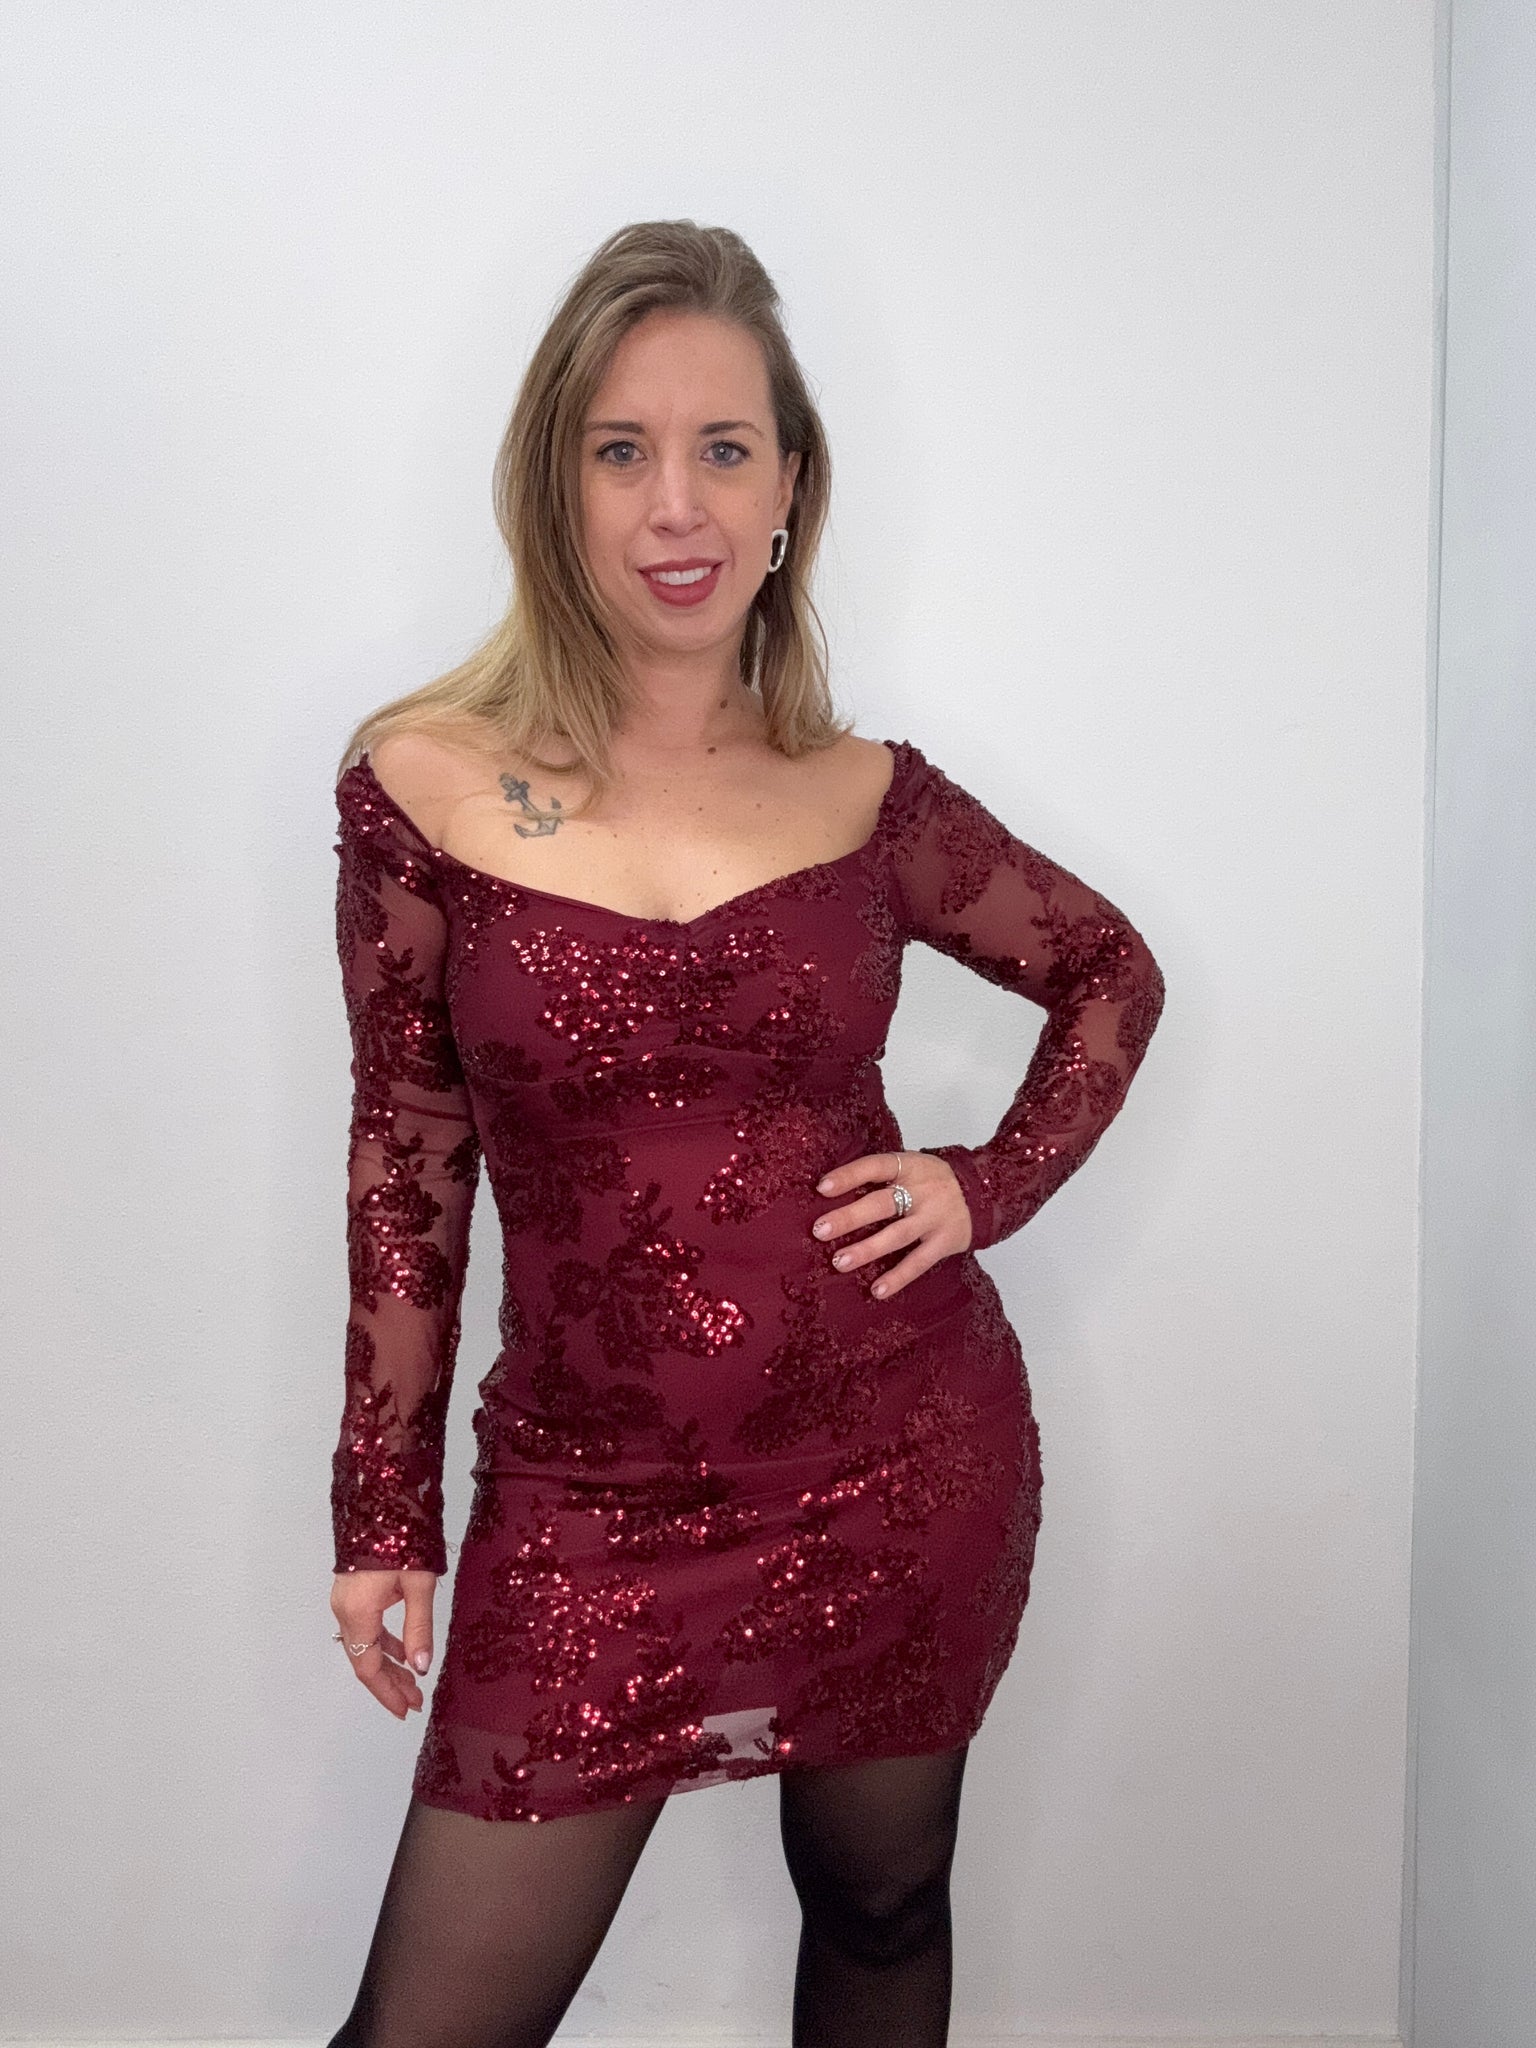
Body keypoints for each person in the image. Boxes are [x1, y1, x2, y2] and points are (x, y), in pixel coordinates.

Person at [324, 219, 1165, 2048]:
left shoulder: (870, 801)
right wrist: (384, 1510)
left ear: (790, 488)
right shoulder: (422, 783)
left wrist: (985, 1185)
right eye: (621, 449)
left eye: (724, 448)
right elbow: (411, 1147)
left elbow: (1110, 972)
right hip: (585, 1502)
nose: (675, 506)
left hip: (898, 1452)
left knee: (881, 1905)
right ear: (553, 483)